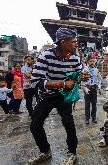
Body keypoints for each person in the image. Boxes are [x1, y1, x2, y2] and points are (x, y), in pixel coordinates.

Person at [28, 27, 87, 165]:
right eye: (73, 42)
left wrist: (82, 76)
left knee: (69, 123)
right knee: (35, 125)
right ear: (62, 42)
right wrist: (62, 84)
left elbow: (78, 76)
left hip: (64, 97)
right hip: (47, 96)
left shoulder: (75, 57)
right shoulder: (45, 56)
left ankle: (72, 153)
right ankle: (45, 151)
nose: (75, 44)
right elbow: (36, 81)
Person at [82, 58, 102, 125]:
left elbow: (99, 79)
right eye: (90, 61)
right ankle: (87, 118)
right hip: (87, 88)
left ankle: (94, 118)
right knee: (87, 104)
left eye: (93, 61)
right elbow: (82, 81)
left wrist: (99, 87)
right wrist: (85, 89)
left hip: (94, 88)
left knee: (94, 104)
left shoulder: (96, 70)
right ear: (88, 62)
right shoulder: (85, 70)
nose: (92, 62)